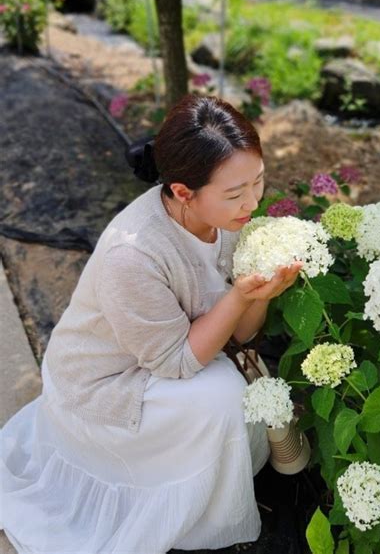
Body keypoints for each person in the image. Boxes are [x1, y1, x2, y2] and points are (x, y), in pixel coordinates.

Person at [0, 94, 302, 554]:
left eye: (258, 181)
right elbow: (177, 361)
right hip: (108, 383)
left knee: (239, 384)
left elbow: (242, 335)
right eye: (236, 193)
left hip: (179, 354)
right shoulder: (134, 253)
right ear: (183, 192)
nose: (253, 202)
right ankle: (192, 515)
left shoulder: (232, 217)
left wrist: (260, 295)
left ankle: (215, 478)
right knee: (223, 396)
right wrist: (240, 295)